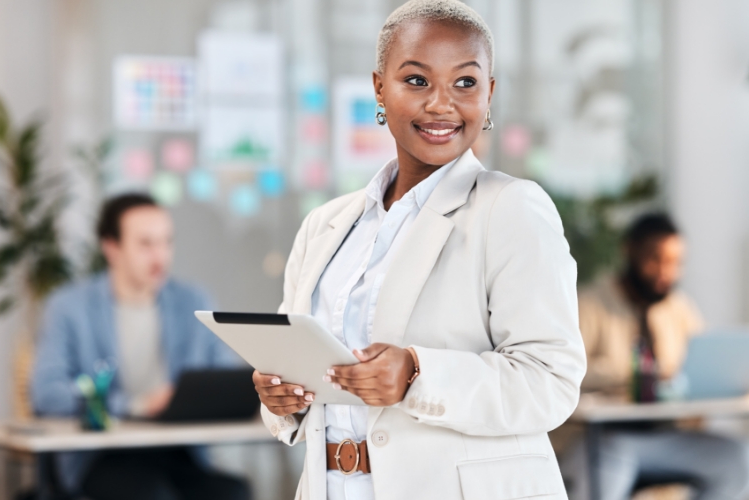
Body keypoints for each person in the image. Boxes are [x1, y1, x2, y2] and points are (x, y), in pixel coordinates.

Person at [252, 1, 587, 499]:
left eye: (466, 83)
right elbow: (299, 374)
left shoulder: (510, 208)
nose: (441, 104)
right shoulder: (325, 227)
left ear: (489, 95)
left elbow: (550, 381)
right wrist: (282, 396)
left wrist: (416, 373)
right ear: (379, 88)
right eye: (417, 80)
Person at [31, 193, 250, 500]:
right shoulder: (69, 308)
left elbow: (225, 380)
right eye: (146, 244)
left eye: (166, 242)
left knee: (234, 493)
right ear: (111, 248)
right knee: (151, 495)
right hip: (102, 456)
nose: (160, 256)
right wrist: (135, 405)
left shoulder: (194, 303)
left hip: (177, 451)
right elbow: (47, 394)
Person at [564, 213, 749, 500]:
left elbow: (703, 365)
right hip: (606, 439)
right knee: (609, 466)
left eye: (675, 263)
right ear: (630, 251)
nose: (666, 271)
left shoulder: (679, 308)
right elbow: (564, 372)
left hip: (665, 437)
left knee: (736, 458)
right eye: (655, 259)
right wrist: (631, 375)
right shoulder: (588, 305)